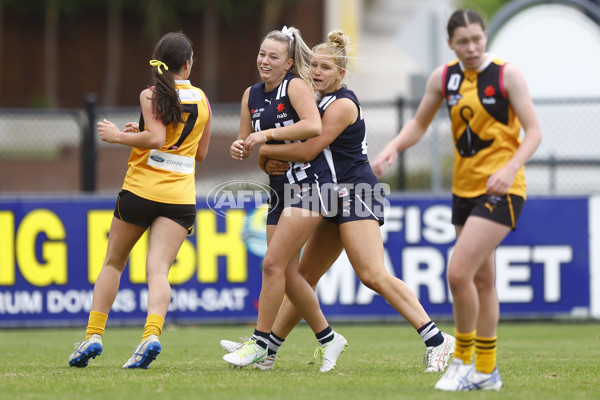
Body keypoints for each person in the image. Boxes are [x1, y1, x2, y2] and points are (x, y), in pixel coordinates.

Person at [222, 30, 455, 373]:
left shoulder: (342, 103)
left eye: (326, 67)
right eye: (313, 65)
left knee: (372, 274)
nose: (316, 72)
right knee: (303, 275)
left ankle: (437, 339)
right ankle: (269, 349)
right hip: (328, 193)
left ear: (340, 74)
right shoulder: (311, 100)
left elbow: (309, 149)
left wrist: (266, 147)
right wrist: (263, 155)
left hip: (357, 192)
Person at [372, 9, 542, 391]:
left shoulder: (506, 74)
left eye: (477, 39)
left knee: (457, 272)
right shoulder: (444, 78)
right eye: (462, 41)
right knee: (483, 280)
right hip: (463, 190)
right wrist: (394, 148)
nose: (471, 47)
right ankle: (487, 370)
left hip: (502, 189)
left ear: (485, 38)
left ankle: (463, 359)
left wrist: (510, 167)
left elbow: (533, 132)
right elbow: (419, 122)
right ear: (450, 44)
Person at [68, 32, 212, 369]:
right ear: (188, 63)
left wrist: (120, 136)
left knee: (113, 263)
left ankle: (93, 335)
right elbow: (199, 152)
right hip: (179, 197)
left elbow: (158, 137)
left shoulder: (151, 93)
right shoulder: (203, 99)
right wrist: (144, 131)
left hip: (141, 191)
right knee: (158, 270)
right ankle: (151, 334)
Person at [224, 26, 348, 372]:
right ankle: (327, 338)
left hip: (311, 185)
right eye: (262, 54)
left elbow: (312, 127)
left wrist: (266, 137)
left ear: (288, 63)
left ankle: (260, 343)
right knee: (288, 274)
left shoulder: (294, 86)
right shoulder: (251, 94)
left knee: (272, 265)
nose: (265, 60)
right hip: (280, 188)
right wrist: (241, 147)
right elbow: (246, 140)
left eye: (273, 56)